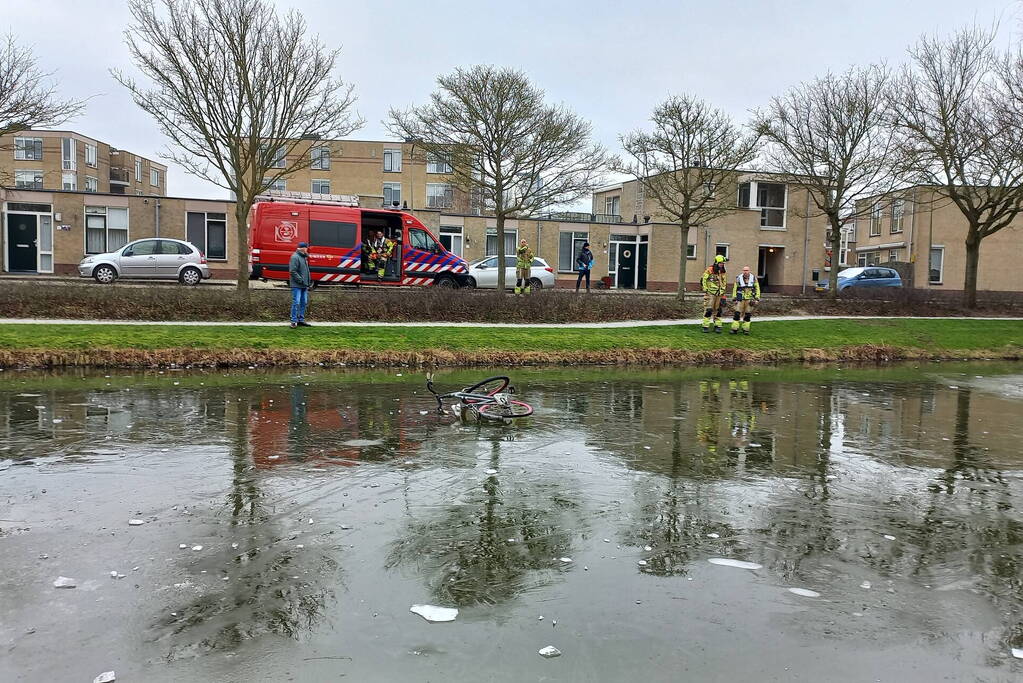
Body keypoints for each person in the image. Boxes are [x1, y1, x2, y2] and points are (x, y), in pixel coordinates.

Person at [700, 254, 728, 333]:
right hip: (711, 293)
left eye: (723, 263)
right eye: (721, 263)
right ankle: (705, 326)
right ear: (716, 262)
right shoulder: (710, 270)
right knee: (708, 309)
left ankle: (717, 325)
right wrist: (705, 289)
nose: (722, 265)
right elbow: (703, 279)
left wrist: (723, 293)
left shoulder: (722, 271)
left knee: (718, 310)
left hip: (719, 293)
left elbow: (724, 282)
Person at [730, 265, 761, 335]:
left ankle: (745, 329)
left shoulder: (754, 279)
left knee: (747, 315)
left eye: (747, 270)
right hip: (740, 299)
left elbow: (757, 289)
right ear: (742, 271)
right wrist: (734, 298)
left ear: (749, 271)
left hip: (750, 299)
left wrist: (757, 298)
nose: (745, 272)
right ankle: (734, 329)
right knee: (737, 313)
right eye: (744, 270)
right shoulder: (738, 278)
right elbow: (735, 288)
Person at [289, 241, 312, 328]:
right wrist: (301, 280)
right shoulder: (295, 257)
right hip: (297, 284)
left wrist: (307, 281)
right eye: (306, 247)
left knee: (303, 302)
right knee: (296, 302)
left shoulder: (303, 257)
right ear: (302, 248)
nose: (307, 249)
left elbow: (305, 271)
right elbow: (293, 271)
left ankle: (301, 320)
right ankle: (293, 321)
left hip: (304, 284)